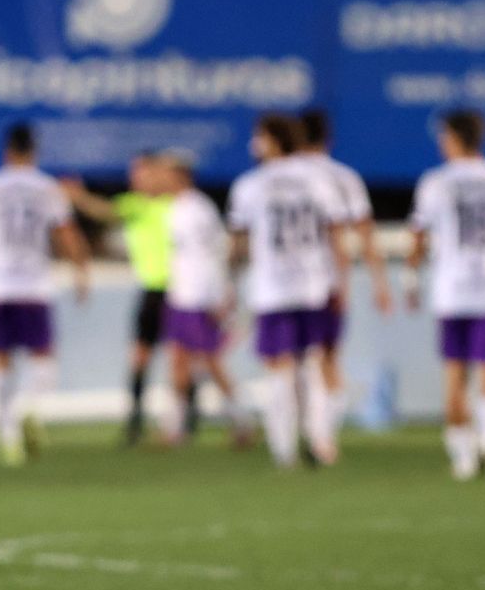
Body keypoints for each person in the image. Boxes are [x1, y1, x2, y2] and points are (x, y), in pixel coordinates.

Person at [406, 108, 485, 480]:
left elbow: (418, 237)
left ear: (454, 138)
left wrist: (411, 282)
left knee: (455, 377)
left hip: (452, 290)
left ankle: (463, 459)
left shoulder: (435, 182)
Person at [0, 122, 91, 468]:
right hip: (35, 286)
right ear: (34, 151)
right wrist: (80, 272)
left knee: (1, 363)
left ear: (6, 151)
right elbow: (67, 233)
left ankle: (7, 438)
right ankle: (31, 407)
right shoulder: (47, 188)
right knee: (43, 357)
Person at [227, 113, 349, 468]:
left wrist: (231, 285)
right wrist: (339, 282)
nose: (254, 145)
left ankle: (284, 450)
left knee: (279, 368)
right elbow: (336, 235)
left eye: (259, 137)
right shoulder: (319, 180)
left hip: (272, 287)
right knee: (311, 364)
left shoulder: (251, 185)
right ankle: (320, 439)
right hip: (314, 284)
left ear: (274, 140)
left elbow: (238, 242)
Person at [60, 151, 173, 446]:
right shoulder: (136, 205)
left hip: (181, 290)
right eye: (134, 172)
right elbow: (105, 211)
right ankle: (136, 420)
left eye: (142, 171)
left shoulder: (177, 205)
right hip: (152, 290)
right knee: (140, 356)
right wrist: (79, 197)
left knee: (187, 358)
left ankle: (186, 419)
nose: (136, 177)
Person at [299, 109, 393, 436]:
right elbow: (365, 235)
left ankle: (313, 431)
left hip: (285, 284)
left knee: (294, 359)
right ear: (329, 139)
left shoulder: (279, 176)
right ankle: (323, 432)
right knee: (327, 357)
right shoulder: (344, 177)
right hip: (330, 280)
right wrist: (380, 283)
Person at [155, 150, 251, 447]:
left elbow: (212, 255)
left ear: (181, 176)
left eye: (167, 174)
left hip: (199, 296)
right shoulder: (176, 208)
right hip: (182, 296)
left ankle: (243, 422)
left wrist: (219, 295)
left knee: (211, 361)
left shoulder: (198, 209)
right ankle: (175, 428)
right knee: (179, 361)